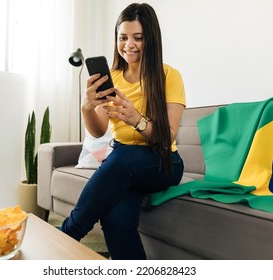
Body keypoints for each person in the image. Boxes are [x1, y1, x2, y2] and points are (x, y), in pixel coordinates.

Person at [60, 3, 186, 260]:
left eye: (138, 38)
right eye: (123, 37)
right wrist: (86, 107)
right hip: (123, 162)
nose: (129, 45)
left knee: (120, 160)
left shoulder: (169, 76)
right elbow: (98, 131)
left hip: (163, 162)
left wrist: (136, 120)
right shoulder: (112, 78)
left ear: (150, 39)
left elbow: (168, 136)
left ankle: (67, 235)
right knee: (116, 218)